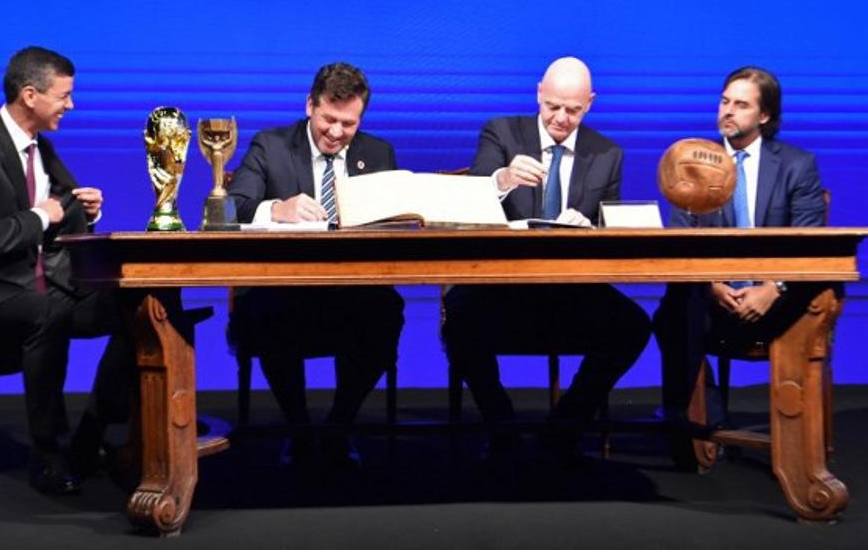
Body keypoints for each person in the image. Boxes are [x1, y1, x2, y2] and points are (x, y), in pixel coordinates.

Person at [0, 46, 136, 495]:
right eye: (65, 95)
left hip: (36, 285)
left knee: (137, 307)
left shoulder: (42, 148)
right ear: (30, 95)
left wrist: (85, 209)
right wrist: (44, 215)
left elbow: (64, 211)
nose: (71, 105)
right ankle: (48, 454)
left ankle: (91, 435)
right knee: (47, 312)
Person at [442, 56, 651, 458]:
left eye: (572, 110)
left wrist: (589, 228)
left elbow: (610, 229)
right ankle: (501, 424)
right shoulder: (502, 132)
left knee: (633, 325)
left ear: (589, 103)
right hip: (502, 287)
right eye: (552, 106)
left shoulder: (607, 153)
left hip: (571, 290)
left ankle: (565, 425)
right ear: (539, 93)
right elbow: (468, 204)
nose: (560, 119)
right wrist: (502, 178)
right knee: (458, 319)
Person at [226, 62, 405, 468]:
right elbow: (233, 206)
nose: (337, 133)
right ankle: (299, 429)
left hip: (354, 294)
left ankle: (339, 425)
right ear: (310, 105)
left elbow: (394, 219)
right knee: (266, 314)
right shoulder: (271, 146)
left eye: (349, 123)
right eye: (329, 119)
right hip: (283, 292)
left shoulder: (379, 153)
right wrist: (277, 208)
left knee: (387, 311)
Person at [653, 66, 828, 466]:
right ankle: (705, 424)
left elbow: (811, 242)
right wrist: (713, 284)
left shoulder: (797, 166)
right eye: (724, 101)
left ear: (764, 115)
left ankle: (795, 442)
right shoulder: (690, 163)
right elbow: (679, 241)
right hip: (714, 303)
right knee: (675, 307)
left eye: (741, 104)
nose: (728, 111)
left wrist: (773, 288)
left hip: (777, 305)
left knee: (816, 294)